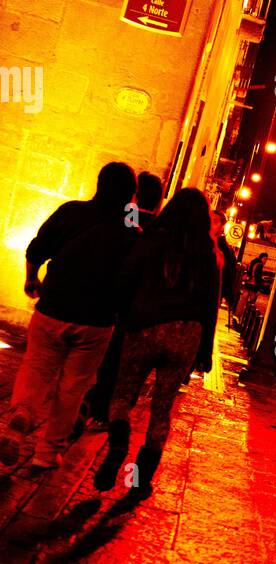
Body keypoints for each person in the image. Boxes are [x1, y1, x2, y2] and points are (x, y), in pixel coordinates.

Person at [0, 162, 137, 475]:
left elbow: (37, 248)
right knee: (72, 387)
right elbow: (129, 281)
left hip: (53, 307)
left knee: (36, 366)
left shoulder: (71, 212)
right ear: (130, 195)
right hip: (95, 320)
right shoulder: (129, 234)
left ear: (99, 185)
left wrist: (31, 278)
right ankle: (46, 454)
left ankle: (23, 412)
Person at [93, 188, 219, 496]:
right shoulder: (208, 252)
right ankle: (141, 480)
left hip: (145, 327)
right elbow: (209, 306)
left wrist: (121, 314)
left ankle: (119, 443)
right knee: (163, 408)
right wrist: (204, 352)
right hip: (186, 335)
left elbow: (125, 278)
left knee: (124, 394)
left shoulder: (151, 239)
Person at [80, 170, 166, 427]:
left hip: (107, 303)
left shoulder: (122, 222)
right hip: (138, 312)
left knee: (95, 359)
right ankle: (103, 412)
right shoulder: (160, 232)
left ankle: (85, 405)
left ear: (135, 195)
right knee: (119, 365)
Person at [210, 209, 239, 318]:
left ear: (222, 226)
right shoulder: (198, 241)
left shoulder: (224, 250)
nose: (210, 223)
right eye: (209, 219)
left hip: (209, 301)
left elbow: (229, 276)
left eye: (215, 221)